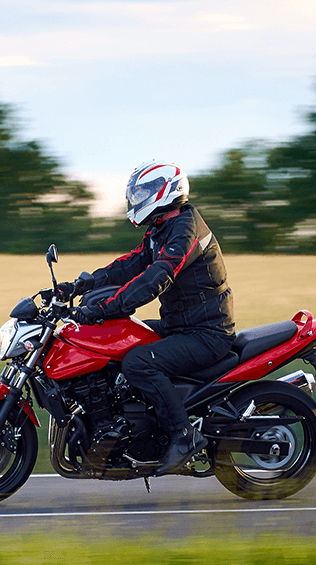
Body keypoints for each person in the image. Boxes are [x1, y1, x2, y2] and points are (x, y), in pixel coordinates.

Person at [71, 160, 235, 475]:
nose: (138, 197)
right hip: (181, 325)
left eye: (145, 190)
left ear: (165, 191)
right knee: (117, 340)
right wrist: (82, 285)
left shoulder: (186, 230)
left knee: (139, 362)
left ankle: (184, 436)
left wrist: (105, 308)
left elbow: (156, 277)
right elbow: (130, 264)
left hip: (206, 333)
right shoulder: (162, 229)